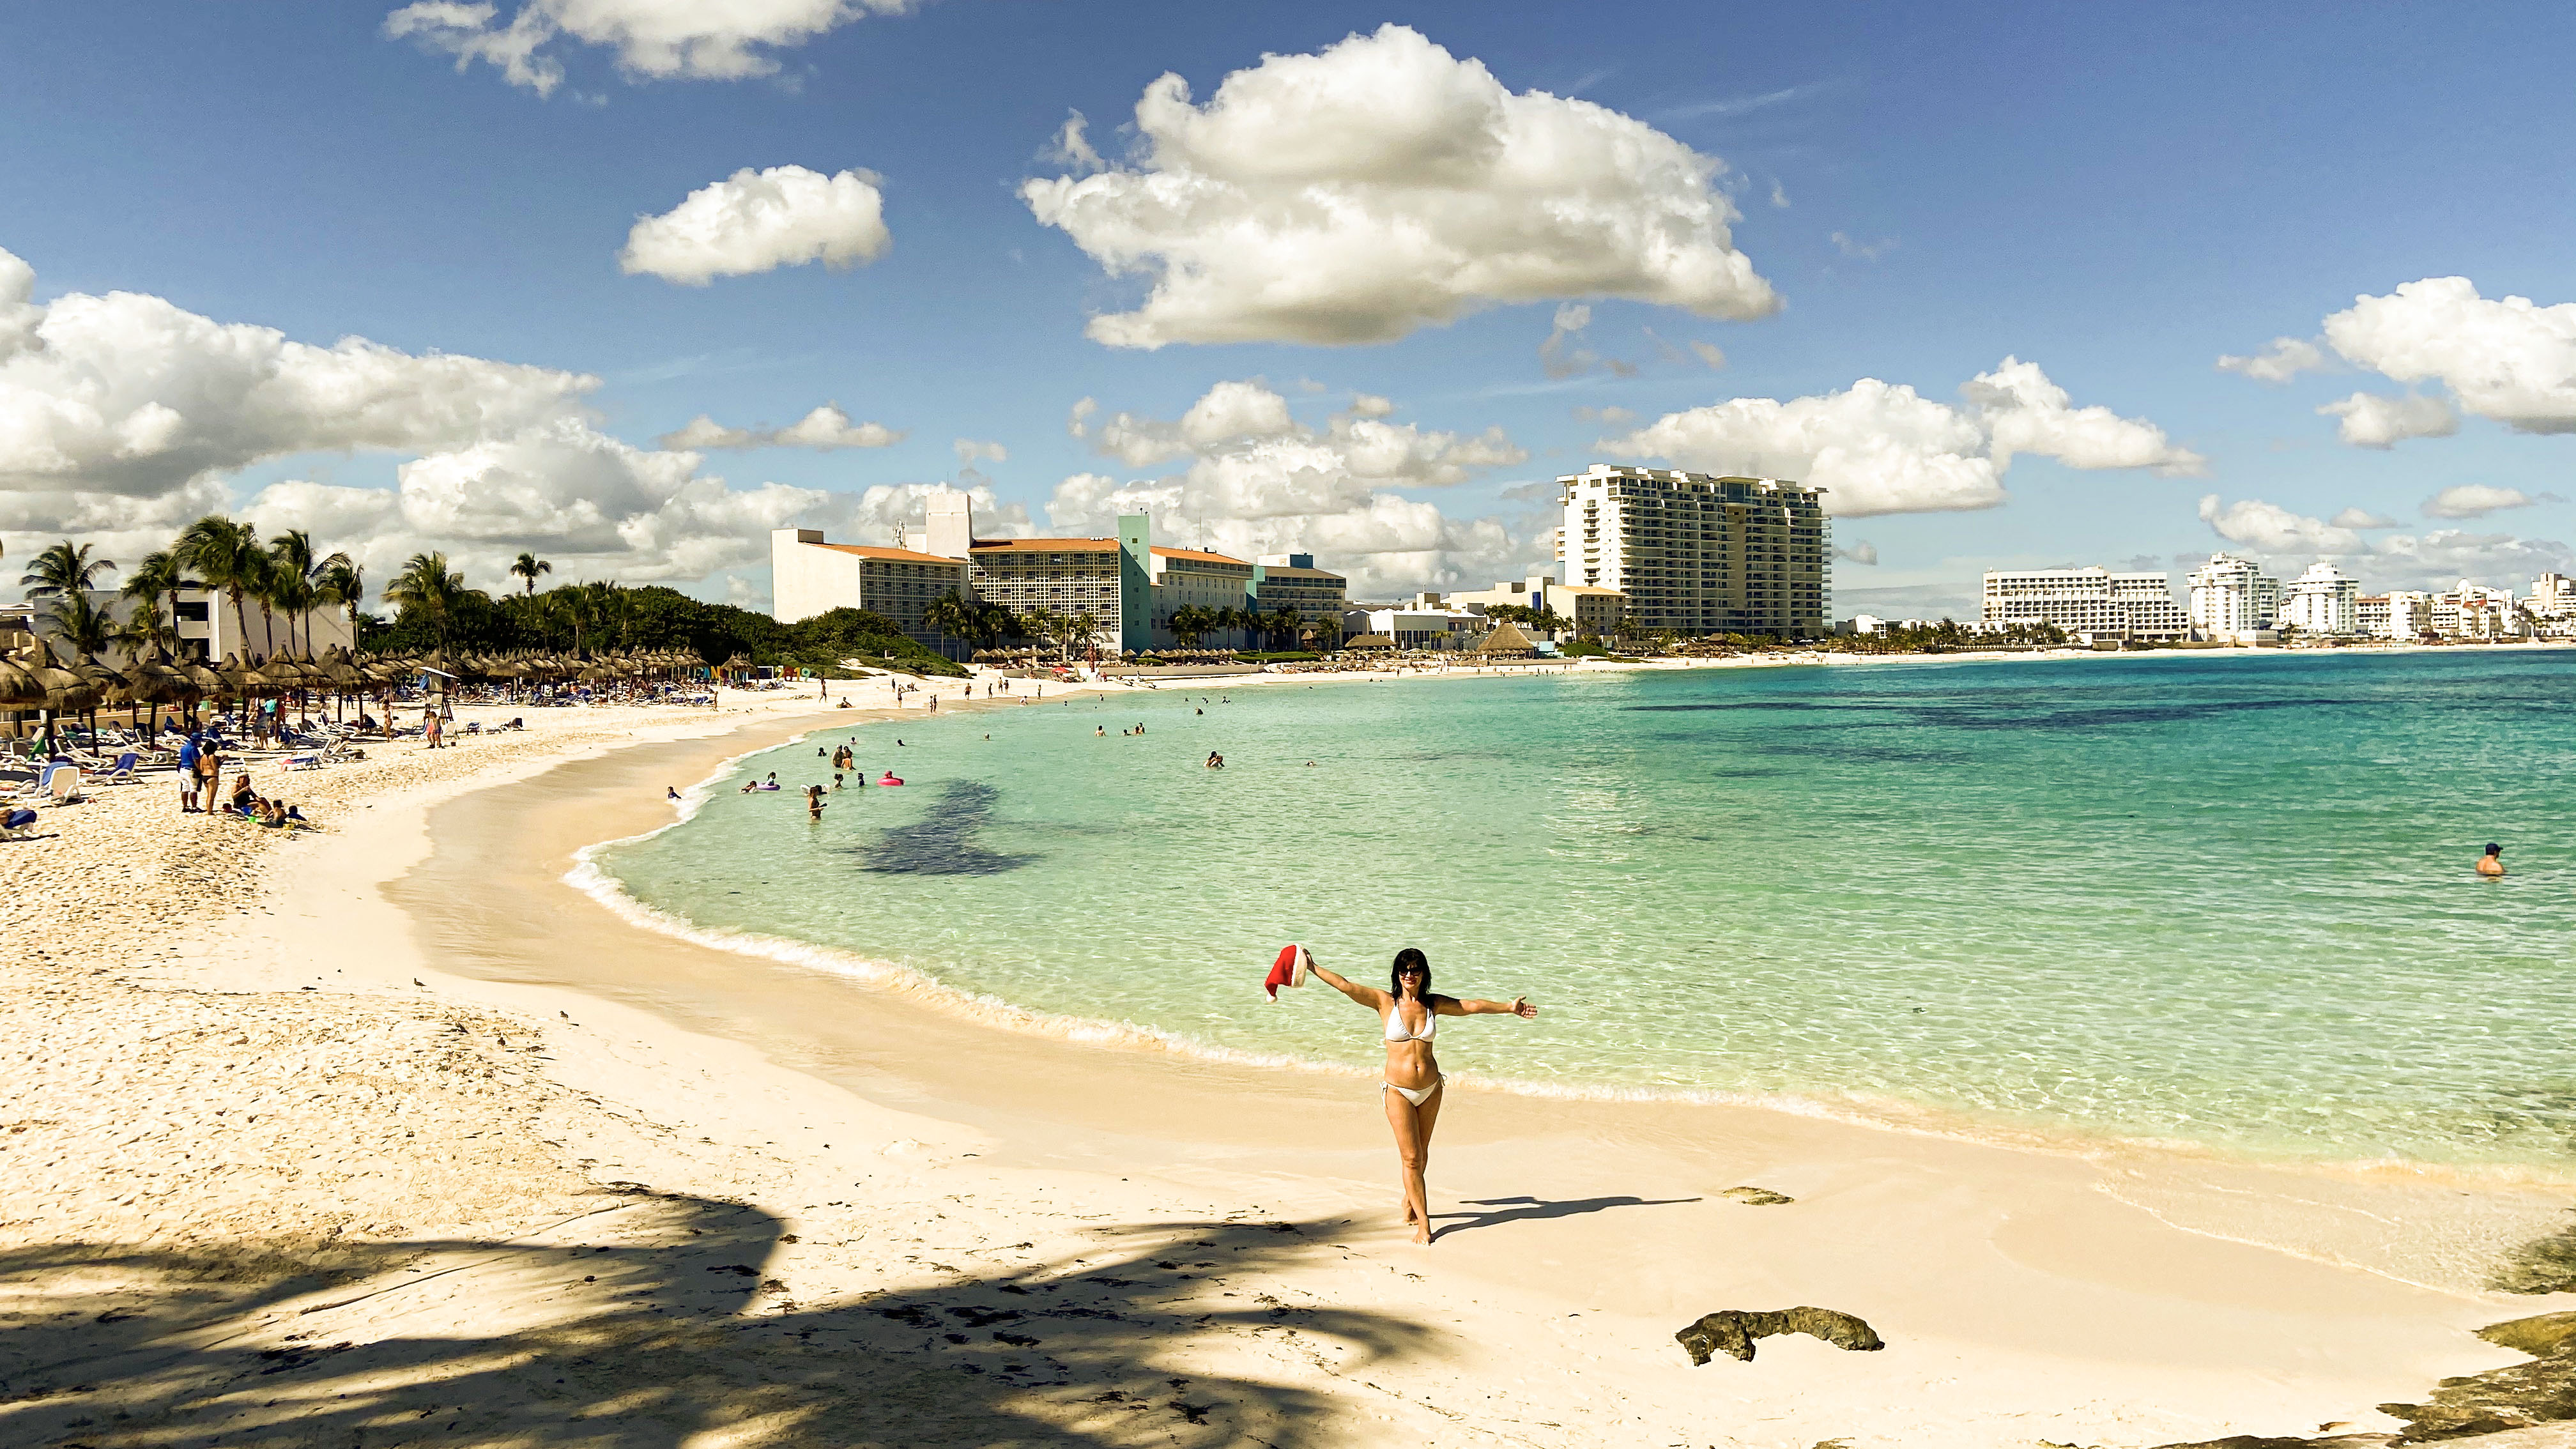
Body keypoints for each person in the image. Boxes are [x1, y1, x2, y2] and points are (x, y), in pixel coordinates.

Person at [1301, 947, 1537, 1245]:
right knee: (1411, 1158)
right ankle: (1424, 1225)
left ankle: (1409, 1199)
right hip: (1398, 1091)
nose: (1409, 975)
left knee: (1421, 1156)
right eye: (1404, 970)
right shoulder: (1384, 1002)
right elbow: (1346, 986)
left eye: (1415, 969)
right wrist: (1313, 967)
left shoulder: (1432, 1004)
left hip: (1431, 1089)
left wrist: (1508, 1008)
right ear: (1397, 974)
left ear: (1424, 973)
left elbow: (1470, 1006)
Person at [177, 733, 202, 813]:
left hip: (183, 769)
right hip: (191, 770)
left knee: (185, 788)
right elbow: (196, 761)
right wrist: (200, 770)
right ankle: (194, 807)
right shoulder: (193, 749)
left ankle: (185, 806)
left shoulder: (183, 748)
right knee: (193, 789)